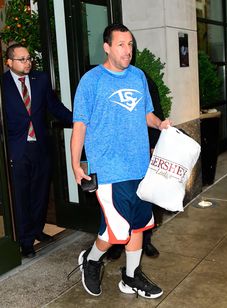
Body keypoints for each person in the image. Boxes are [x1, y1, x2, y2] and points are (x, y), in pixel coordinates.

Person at [70, 23, 171, 299]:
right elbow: (80, 125)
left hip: (139, 167)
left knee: (139, 226)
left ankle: (130, 277)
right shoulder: (92, 81)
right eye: (121, 45)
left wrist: (160, 124)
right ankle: (90, 261)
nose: (128, 51)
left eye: (130, 45)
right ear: (107, 47)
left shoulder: (138, 77)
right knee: (116, 233)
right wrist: (76, 164)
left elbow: (146, 115)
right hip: (109, 169)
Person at [2, 43, 72, 258]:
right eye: (22, 59)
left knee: (40, 192)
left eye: (29, 58)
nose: (27, 62)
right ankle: (25, 240)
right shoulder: (2, 84)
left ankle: (37, 229)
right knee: (21, 195)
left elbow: (55, 106)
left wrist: (78, 120)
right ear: (9, 62)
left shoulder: (40, 80)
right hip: (16, 149)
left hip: (40, 146)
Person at [106, 74, 164, 260]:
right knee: (118, 203)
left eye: (129, 45)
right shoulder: (103, 81)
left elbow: (155, 114)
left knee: (143, 198)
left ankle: (145, 241)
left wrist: (154, 144)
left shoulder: (143, 79)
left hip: (141, 151)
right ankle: (117, 244)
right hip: (116, 154)